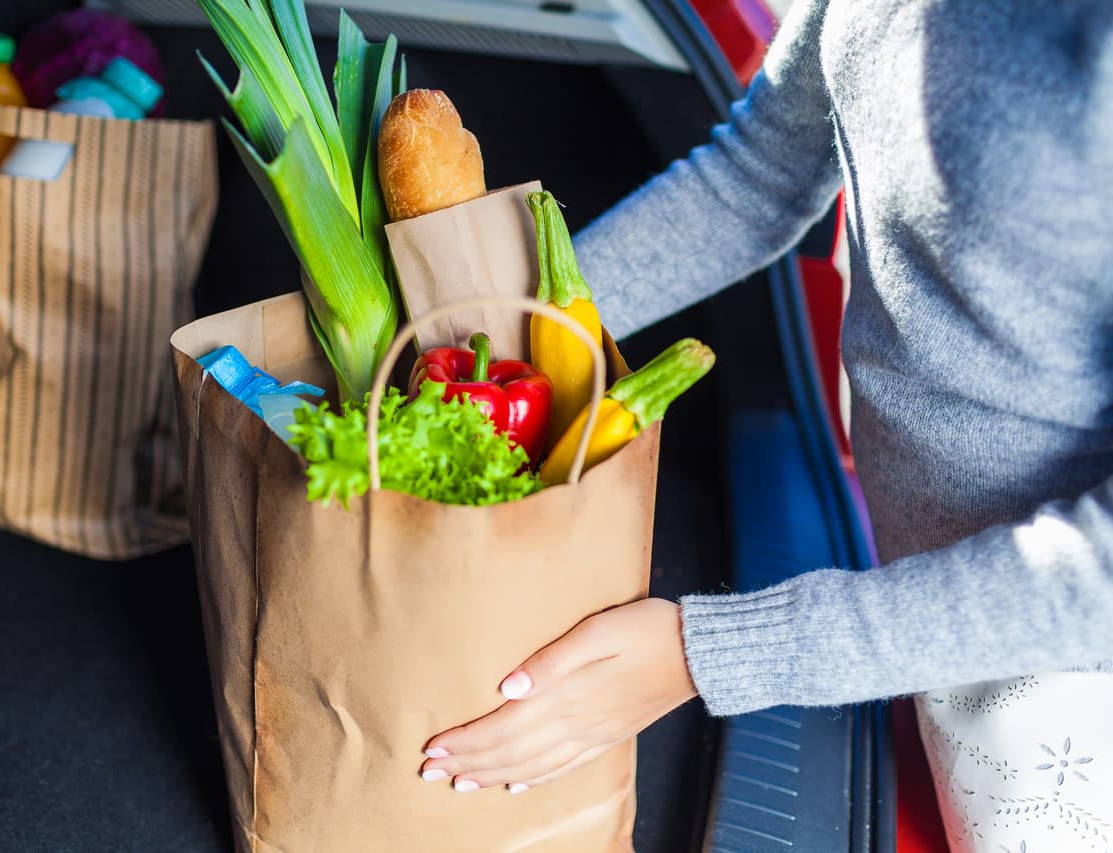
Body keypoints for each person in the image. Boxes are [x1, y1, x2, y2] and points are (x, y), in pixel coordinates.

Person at [418, 0, 1113, 847]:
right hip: (942, 620)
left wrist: (706, 653)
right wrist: (498, 357)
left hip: (1071, 674)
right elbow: (754, 181)